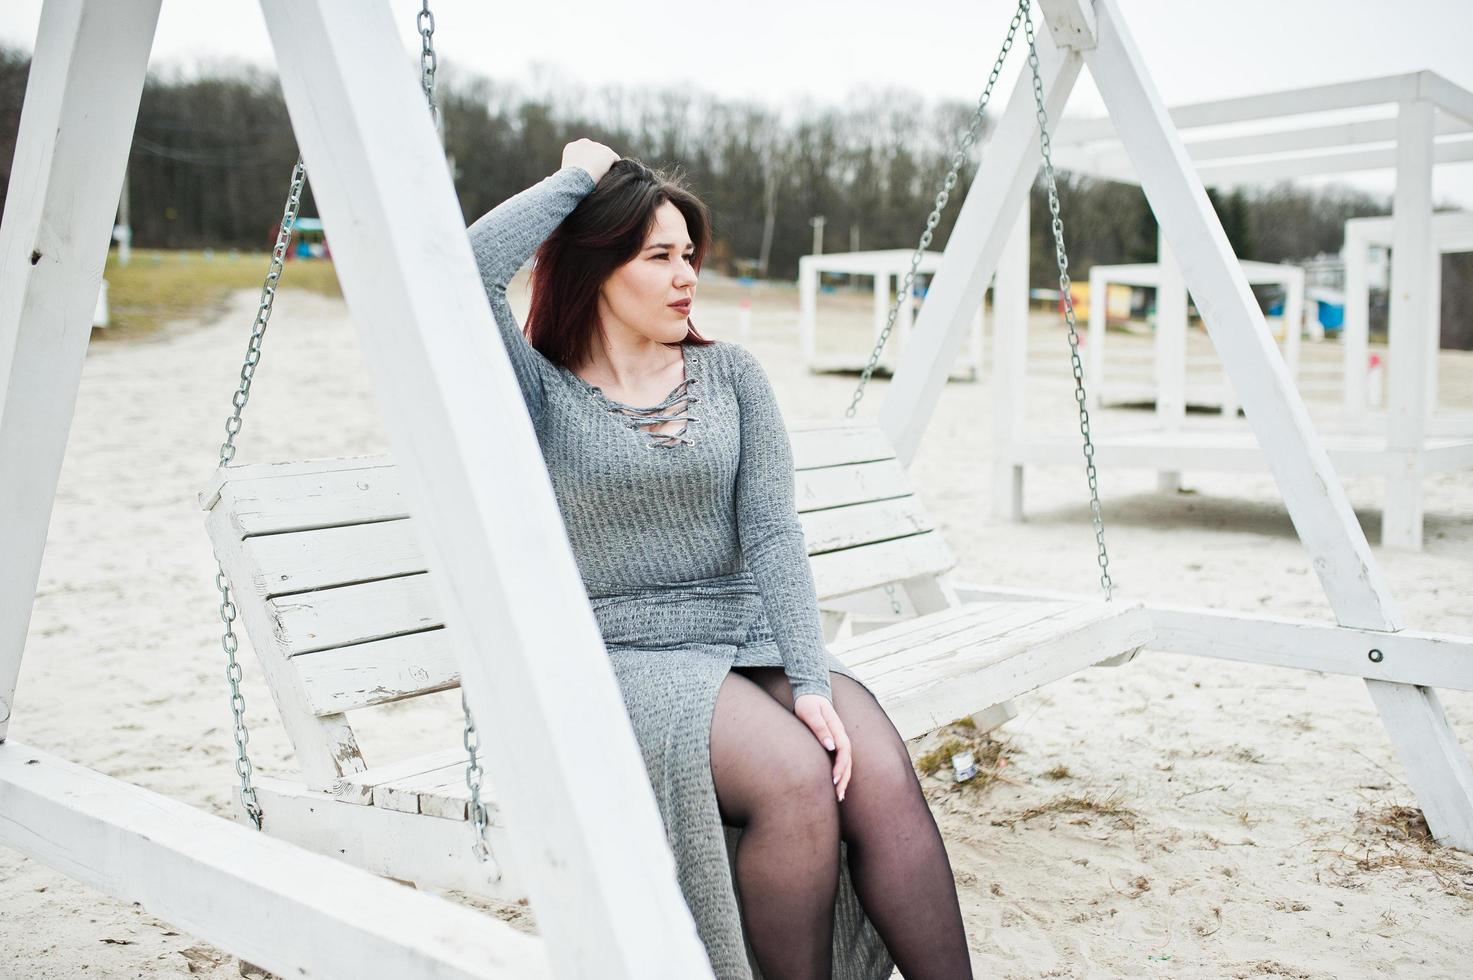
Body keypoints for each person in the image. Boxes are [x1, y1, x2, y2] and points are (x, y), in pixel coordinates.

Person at [467, 138, 972, 980]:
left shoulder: (731, 375)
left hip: (743, 636)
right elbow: (465, 271)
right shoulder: (539, 390)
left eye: (688, 256)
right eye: (658, 256)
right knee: (792, 782)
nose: (685, 276)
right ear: (597, 266)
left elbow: (773, 534)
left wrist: (810, 680)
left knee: (875, 768)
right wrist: (578, 179)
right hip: (623, 652)